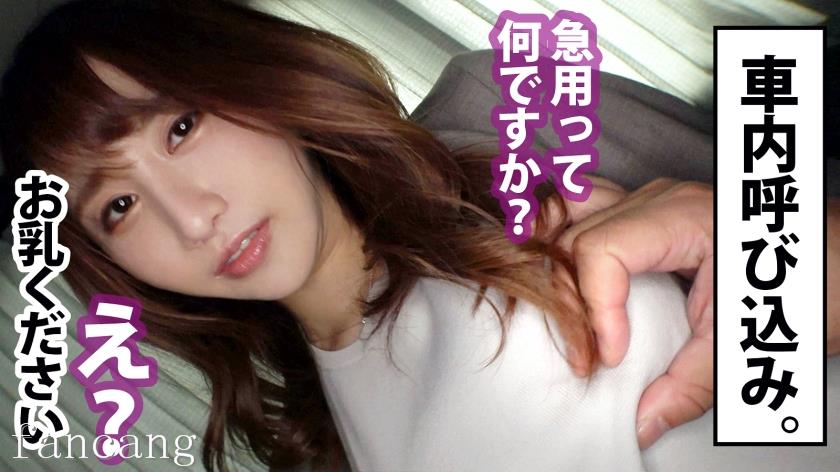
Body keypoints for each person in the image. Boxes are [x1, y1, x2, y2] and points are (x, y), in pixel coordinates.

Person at [0, 1, 835, 471]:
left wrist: (796, 241)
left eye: (181, 126)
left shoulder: (502, 122)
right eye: (118, 207)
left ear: (252, 75)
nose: (192, 218)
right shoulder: (329, 439)